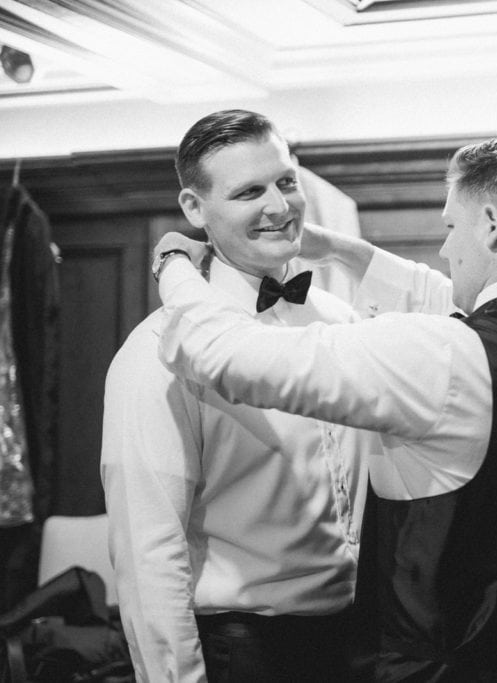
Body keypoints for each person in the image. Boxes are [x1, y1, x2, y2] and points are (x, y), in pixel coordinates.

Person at [153, 136, 497, 680]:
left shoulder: (447, 356)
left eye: (452, 228)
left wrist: (173, 262)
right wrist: (338, 249)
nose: (446, 252)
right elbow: (446, 301)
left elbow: (226, 355)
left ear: (493, 225)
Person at [100, 109, 376, 682]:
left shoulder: (344, 320)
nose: (278, 205)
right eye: (250, 191)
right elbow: (149, 555)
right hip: (247, 652)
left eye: (286, 181)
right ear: (194, 209)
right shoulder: (155, 356)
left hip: (364, 639)